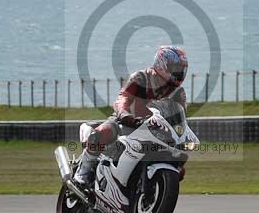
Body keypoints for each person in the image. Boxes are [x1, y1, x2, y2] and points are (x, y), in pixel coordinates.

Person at [73, 45, 188, 187]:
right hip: (128, 123)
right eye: (175, 69)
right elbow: (123, 98)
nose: (179, 73)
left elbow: (180, 118)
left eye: (182, 69)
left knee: (179, 171)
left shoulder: (178, 93)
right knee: (102, 133)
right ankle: (83, 171)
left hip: (155, 131)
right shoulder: (141, 78)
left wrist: (182, 137)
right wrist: (125, 114)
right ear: (162, 64)